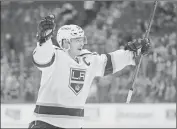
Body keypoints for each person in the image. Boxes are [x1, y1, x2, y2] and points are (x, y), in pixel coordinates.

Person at [28, 15, 151, 128]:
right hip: (46, 124)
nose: (82, 43)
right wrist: (44, 40)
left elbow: (108, 62)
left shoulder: (88, 59)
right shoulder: (54, 55)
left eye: (82, 39)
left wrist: (133, 53)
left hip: (75, 125)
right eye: (77, 40)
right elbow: (41, 57)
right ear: (65, 42)